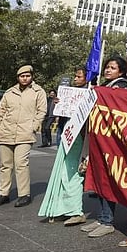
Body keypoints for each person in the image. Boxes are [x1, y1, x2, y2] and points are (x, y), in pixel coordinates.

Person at [80, 57, 127, 239]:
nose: (108, 70)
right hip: (100, 138)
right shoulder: (104, 86)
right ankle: (101, 217)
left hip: (113, 142)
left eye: (113, 68)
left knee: (109, 180)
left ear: (121, 72)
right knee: (101, 177)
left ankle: (107, 220)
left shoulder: (122, 87)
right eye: (107, 67)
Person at [0, 65, 46, 208]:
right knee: (5, 165)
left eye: (27, 76)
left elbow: (41, 111)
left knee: (21, 164)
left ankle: (24, 194)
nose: (24, 78)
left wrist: (34, 126)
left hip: (25, 133)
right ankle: (3, 194)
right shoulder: (9, 93)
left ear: (32, 77)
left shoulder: (38, 92)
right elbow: (0, 113)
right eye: (21, 76)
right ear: (17, 77)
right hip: (6, 132)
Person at [39, 66, 91, 226]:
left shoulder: (90, 94)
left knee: (73, 173)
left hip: (79, 138)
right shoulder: (70, 93)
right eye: (75, 77)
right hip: (67, 135)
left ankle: (75, 211)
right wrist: (60, 104)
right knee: (63, 172)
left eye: (79, 77)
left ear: (87, 79)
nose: (75, 80)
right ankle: (63, 209)